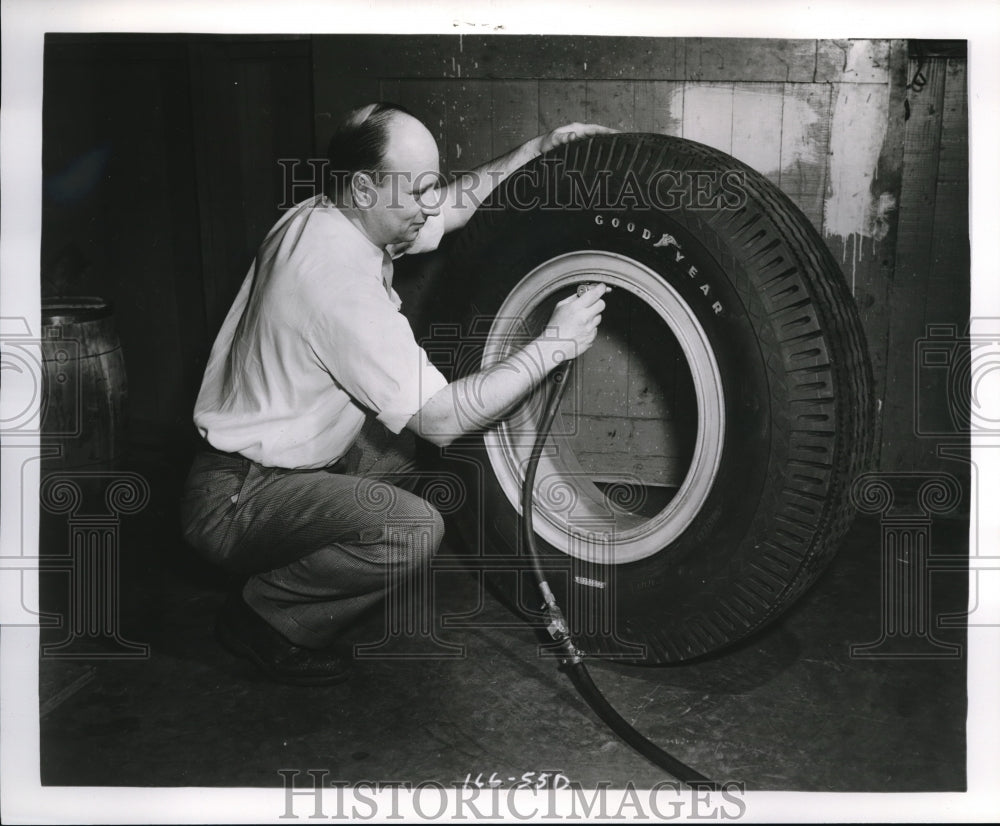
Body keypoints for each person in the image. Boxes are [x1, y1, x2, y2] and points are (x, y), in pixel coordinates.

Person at [180, 102, 612, 685]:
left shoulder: (326, 213)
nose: (431, 203)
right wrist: (553, 344)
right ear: (365, 188)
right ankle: (266, 617)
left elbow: (452, 206)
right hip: (237, 499)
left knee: (406, 447)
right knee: (411, 527)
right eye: (418, 190)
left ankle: (302, 554)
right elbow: (443, 419)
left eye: (431, 184)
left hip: (273, 464)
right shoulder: (337, 286)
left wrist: (537, 149)